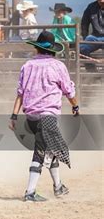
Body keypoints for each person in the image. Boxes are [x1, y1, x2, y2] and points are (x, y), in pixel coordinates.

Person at [9, 31, 79, 202]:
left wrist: (14, 116)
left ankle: (58, 186)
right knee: (40, 153)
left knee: (50, 149)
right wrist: (75, 106)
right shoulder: (58, 66)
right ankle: (30, 192)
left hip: (31, 116)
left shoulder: (27, 66)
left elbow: (20, 93)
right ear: (53, 50)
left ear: (37, 49)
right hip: (48, 116)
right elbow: (68, 91)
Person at [79, 0, 104, 71]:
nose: (101, 0)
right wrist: (85, 36)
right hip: (95, 37)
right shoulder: (91, 7)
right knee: (81, 49)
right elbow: (84, 23)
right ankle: (92, 73)